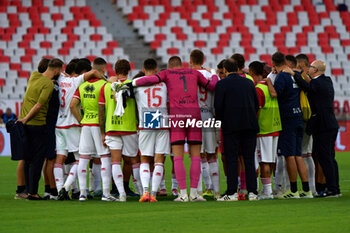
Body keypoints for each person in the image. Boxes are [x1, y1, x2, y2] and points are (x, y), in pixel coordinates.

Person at [124, 56, 219, 202]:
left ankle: (182, 194)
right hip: (194, 115)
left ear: (169, 66)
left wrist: (133, 82)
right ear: (183, 65)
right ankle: (194, 194)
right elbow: (213, 86)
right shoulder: (194, 73)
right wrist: (213, 72)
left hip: (177, 117)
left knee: (178, 157)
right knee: (195, 156)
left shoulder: (166, 74)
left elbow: (149, 80)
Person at [288, 60, 340, 197]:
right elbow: (310, 84)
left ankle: (332, 189)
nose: (309, 69)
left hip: (322, 126)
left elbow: (307, 87)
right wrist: (302, 74)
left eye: (310, 67)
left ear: (315, 70)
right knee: (330, 157)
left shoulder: (317, 84)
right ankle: (335, 188)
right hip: (330, 124)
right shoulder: (327, 81)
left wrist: (294, 73)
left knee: (325, 158)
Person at [54, 59, 105, 200]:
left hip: (59, 124)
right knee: (80, 159)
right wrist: (106, 81)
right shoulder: (76, 82)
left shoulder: (61, 78)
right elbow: (94, 72)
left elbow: (61, 71)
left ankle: (59, 189)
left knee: (59, 160)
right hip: (72, 125)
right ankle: (66, 187)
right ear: (83, 72)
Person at [266, 52, 312, 199]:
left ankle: (293, 190)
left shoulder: (282, 77)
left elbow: (274, 94)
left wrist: (268, 81)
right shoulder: (293, 74)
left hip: (287, 118)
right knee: (298, 155)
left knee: (289, 156)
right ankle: (306, 190)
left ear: (273, 63)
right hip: (298, 116)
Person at [17, 58, 64, 200]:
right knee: (37, 160)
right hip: (37, 124)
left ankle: (25, 190)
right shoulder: (48, 85)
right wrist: (27, 118)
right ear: (56, 71)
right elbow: (38, 105)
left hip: (24, 124)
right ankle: (33, 192)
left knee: (27, 158)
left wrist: (23, 118)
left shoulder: (34, 75)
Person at [214, 59, 259, 201]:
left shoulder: (222, 84)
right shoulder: (249, 82)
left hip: (231, 126)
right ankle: (252, 192)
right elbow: (256, 104)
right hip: (249, 125)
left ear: (225, 70)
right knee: (249, 159)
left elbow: (218, 107)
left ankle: (232, 192)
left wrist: (221, 121)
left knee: (232, 159)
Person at [70, 61, 114, 202]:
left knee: (83, 158)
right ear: (103, 69)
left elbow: (72, 106)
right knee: (104, 157)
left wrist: (81, 121)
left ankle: (82, 193)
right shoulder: (104, 85)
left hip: (86, 124)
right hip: (98, 124)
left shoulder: (82, 86)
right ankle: (106, 193)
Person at [99, 59, 142, 202]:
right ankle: (141, 192)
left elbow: (101, 111)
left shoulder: (106, 86)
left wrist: (102, 131)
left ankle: (122, 194)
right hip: (129, 127)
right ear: (129, 70)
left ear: (115, 70)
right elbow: (137, 108)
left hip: (112, 127)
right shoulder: (132, 86)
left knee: (115, 162)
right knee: (133, 160)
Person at [133, 58, 170, 202]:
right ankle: (154, 193)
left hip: (145, 122)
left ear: (143, 69)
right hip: (162, 122)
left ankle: (145, 192)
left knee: (144, 159)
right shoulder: (164, 85)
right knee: (159, 160)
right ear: (156, 70)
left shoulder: (136, 85)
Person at [189, 49, 220, 199]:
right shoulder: (211, 76)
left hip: (194, 116)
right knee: (212, 155)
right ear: (203, 60)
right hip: (209, 115)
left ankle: (199, 192)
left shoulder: (188, 76)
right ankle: (217, 192)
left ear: (190, 60)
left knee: (197, 155)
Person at [249, 61, 281, 199]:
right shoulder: (271, 86)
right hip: (275, 127)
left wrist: (253, 125)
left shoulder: (258, 89)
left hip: (263, 129)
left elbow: (257, 111)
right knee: (271, 160)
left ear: (252, 73)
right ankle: (272, 188)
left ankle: (266, 191)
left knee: (263, 161)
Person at [295, 54, 317, 195]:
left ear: (303, 65)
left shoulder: (306, 79)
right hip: (309, 118)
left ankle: (311, 188)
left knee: (306, 154)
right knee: (307, 154)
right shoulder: (310, 80)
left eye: (298, 66)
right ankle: (313, 188)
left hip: (306, 119)